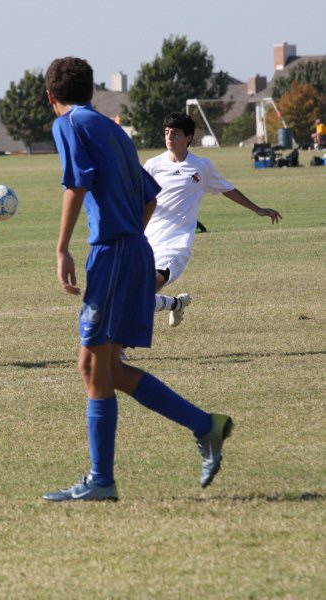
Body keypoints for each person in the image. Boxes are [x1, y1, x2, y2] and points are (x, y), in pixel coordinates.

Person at [42, 57, 233, 502]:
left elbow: (77, 184)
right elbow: (150, 196)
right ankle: (206, 426)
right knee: (107, 368)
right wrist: (130, 233)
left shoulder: (69, 124)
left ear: (53, 97)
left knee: (91, 366)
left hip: (111, 253)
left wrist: (62, 247)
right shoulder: (113, 129)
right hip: (135, 249)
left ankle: (101, 481)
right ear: (91, 91)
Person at [143, 112, 282, 327]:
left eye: (176, 133)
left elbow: (228, 189)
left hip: (175, 243)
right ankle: (175, 304)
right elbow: (136, 197)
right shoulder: (152, 165)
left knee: (145, 290)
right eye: (167, 132)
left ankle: (120, 348)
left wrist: (258, 209)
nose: (169, 137)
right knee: (133, 295)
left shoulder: (201, 166)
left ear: (188, 137)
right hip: (147, 241)